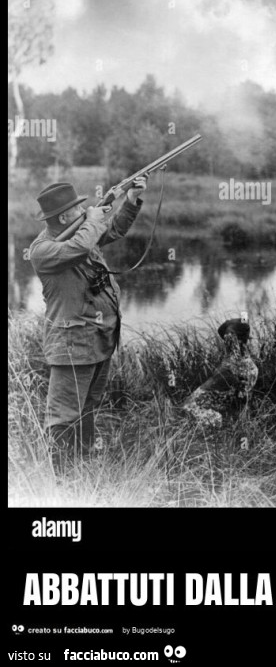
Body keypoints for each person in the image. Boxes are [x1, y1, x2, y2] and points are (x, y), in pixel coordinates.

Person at [29, 176, 148, 472]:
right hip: (72, 344)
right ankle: (61, 480)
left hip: (98, 339)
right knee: (64, 416)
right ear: (64, 216)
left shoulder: (81, 233)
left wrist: (129, 200)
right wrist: (93, 218)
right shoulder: (43, 250)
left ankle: (82, 468)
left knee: (88, 409)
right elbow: (81, 246)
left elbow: (114, 229)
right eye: (77, 209)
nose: (82, 211)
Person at [183, 317, 258, 428]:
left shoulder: (231, 365)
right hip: (193, 409)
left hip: (190, 407)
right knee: (217, 419)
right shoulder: (242, 368)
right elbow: (243, 398)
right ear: (244, 339)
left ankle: (237, 422)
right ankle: (238, 425)